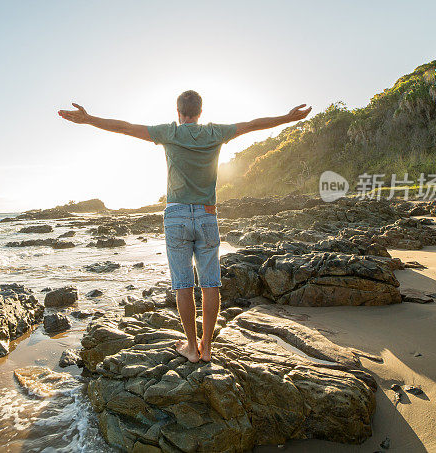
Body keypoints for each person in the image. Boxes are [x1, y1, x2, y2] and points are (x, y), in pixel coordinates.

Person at [58, 90, 311, 362]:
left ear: (178, 111)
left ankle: (191, 347)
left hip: (176, 215)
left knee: (183, 285)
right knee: (210, 283)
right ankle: (207, 347)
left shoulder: (170, 133)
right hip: (207, 214)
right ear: (200, 112)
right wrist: (287, 118)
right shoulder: (215, 133)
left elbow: (124, 127)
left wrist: (88, 119)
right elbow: (252, 125)